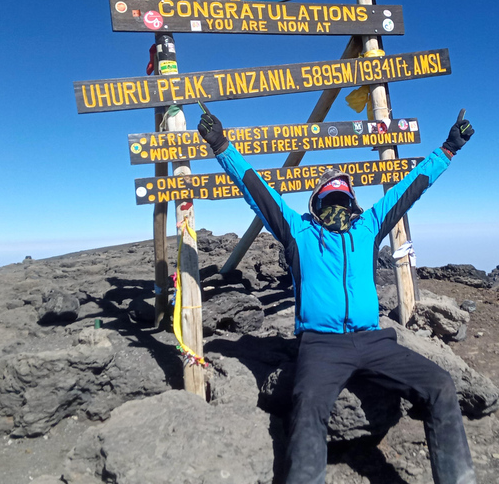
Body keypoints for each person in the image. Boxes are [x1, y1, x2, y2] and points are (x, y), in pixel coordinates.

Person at [198, 109, 477, 484]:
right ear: (315, 204)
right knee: (308, 407)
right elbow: (256, 189)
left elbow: (411, 188)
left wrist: (448, 148)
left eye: (342, 198)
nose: (337, 205)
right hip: (321, 345)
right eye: (330, 198)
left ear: (352, 203)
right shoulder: (298, 233)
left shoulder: (368, 229)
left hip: (375, 341)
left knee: (441, 384)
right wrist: (220, 145)